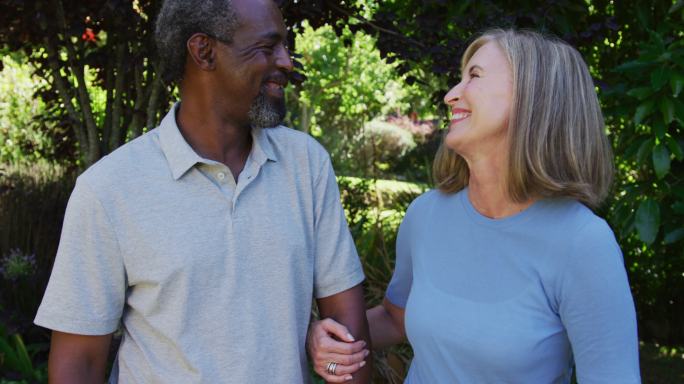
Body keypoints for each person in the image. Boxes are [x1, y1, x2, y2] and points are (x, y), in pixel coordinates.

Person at [34, 0, 372, 382]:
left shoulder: (306, 165)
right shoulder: (109, 189)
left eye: (285, 46)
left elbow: (347, 337)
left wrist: (329, 366)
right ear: (203, 51)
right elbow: (79, 363)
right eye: (267, 47)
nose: (287, 61)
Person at [308, 28, 641, 383]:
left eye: (475, 77)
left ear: (533, 98)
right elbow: (395, 319)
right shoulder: (426, 216)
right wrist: (325, 341)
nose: (452, 95)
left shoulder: (582, 243)